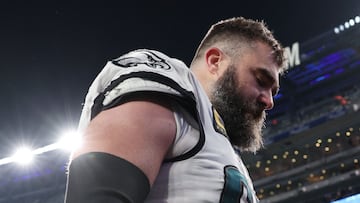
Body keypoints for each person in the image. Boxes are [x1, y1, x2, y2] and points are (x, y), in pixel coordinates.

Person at [64, 16, 286, 203]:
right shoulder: (172, 86)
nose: (269, 101)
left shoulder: (221, 146)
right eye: (260, 80)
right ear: (215, 61)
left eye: (273, 91)